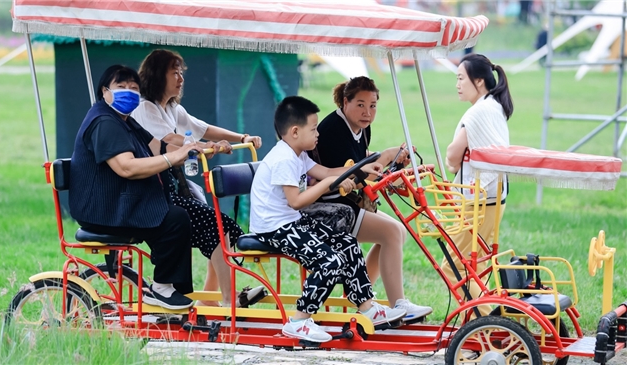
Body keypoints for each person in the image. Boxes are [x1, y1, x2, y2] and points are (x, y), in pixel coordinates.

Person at [250, 96, 406, 342]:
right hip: (274, 228)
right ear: (294, 131)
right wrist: (325, 184)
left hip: (291, 222)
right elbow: (297, 201)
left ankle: (367, 308)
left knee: (347, 243)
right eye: (313, 129)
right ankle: (300, 321)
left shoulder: (298, 154)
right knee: (329, 261)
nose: (318, 134)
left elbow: (326, 172)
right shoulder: (283, 159)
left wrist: (360, 169)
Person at [132, 49, 265, 308]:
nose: (180, 78)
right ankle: (226, 300)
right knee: (216, 225)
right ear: (158, 75)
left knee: (219, 227)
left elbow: (203, 127)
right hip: (153, 191)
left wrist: (242, 138)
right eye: (174, 72)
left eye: (181, 72)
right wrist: (205, 146)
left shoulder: (171, 107)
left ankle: (215, 298)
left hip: (171, 186)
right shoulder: (145, 108)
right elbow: (172, 140)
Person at [70, 65, 201, 310]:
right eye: (121, 87)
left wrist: (196, 149)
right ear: (105, 91)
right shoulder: (104, 123)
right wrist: (174, 157)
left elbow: (158, 147)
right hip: (103, 209)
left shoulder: (124, 120)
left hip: (119, 200)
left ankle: (171, 290)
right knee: (174, 219)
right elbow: (126, 167)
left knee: (179, 215)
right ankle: (162, 288)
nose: (128, 93)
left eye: (134, 88)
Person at [310, 76, 432, 320]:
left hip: (344, 201)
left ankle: (362, 295)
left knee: (397, 231)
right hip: (326, 206)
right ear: (346, 102)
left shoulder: (359, 127)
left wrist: (392, 162)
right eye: (361, 104)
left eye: (373, 105)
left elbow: (361, 159)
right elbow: (352, 175)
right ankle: (397, 304)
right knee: (391, 233)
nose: (367, 112)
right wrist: (386, 158)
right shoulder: (334, 129)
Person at [443, 53, 512, 317]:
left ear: (479, 81)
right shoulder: (493, 106)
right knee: (470, 266)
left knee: (453, 266)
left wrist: (454, 160)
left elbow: (452, 154)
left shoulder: (479, 112)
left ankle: (485, 320)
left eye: (461, 78)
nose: (458, 84)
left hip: (479, 201)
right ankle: (476, 322)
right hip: (493, 200)